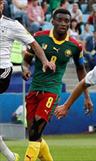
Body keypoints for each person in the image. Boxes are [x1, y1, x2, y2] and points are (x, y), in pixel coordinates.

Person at [21, 8, 92, 161]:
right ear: (52, 21)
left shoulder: (75, 46)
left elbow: (81, 71)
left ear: (70, 24)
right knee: (34, 134)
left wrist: (87, 96)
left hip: (52, 90)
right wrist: (25, 69)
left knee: (37, 127)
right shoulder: (39, 38)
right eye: (59, 20)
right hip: (34, 89)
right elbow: (26, 60)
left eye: (66, 21)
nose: (63, 23)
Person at [0, 0, 55, 160]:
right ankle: (12, 157)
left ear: (2, 5)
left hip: (2, 71)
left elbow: (33, 44)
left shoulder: (12, 25)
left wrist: (45, 61)